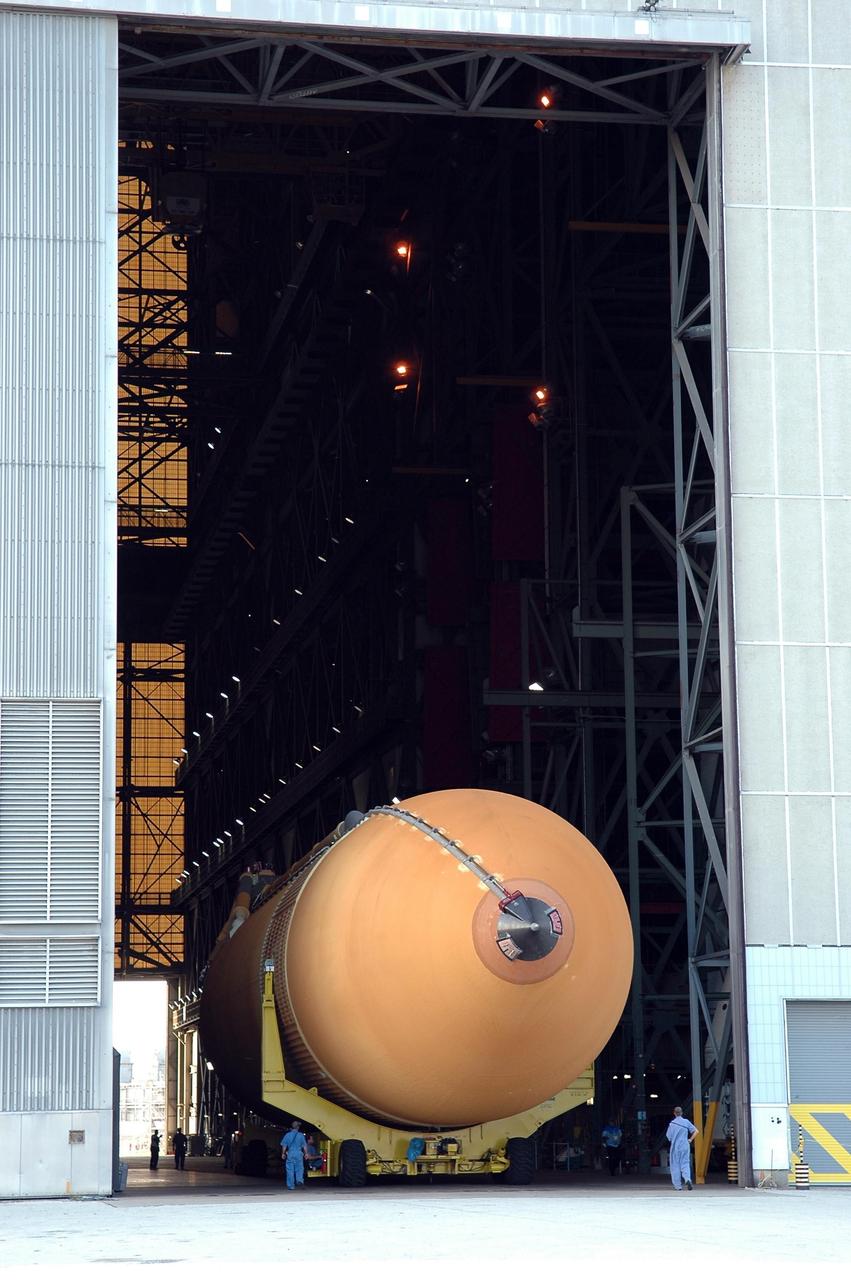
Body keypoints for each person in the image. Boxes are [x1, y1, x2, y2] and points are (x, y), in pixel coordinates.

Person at [666, 1106, 698, 1190]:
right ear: (682, 1113)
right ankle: (687, 1179)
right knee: (685, 1163)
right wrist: (690, 1139)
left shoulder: (672, 1124)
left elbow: (668, 1136)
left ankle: (678, 1186)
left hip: (675, 1147)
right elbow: (696, 1131)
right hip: (685, 1145)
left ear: (674, 1113)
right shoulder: (686, 1122)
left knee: (675, 1165)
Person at [280, 1120, 308, 1189]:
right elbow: (304, 1146)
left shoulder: (287, 1135)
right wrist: (306, 1153)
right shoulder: (301, 1135)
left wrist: (283, 1153)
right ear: (298, 1127)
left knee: (290, 1169)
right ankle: (299, 1180)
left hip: (290, 1153)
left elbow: (284, 1145)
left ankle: (291, 1186)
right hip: (298, 1153)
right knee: (299, 1168)